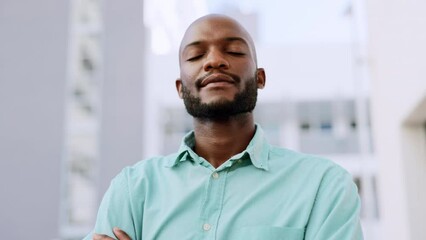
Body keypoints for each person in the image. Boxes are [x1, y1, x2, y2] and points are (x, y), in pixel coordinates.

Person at [85, 14, 363, 240]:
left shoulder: (323, 185)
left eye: (233, 51)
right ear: (180, 89)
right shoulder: (133, 189)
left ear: (260, 78)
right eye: (195, 56)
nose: (214, 61)